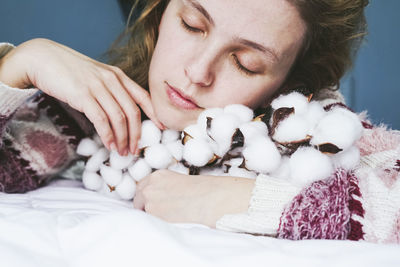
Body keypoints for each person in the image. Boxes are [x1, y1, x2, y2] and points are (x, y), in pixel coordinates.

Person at [1, 0, 399, 242]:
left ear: (293, 81)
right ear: (160, 11)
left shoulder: (312, 128)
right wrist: (20, 65)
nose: (197, 72)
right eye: (192, 24)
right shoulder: (106, 112)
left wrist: (243, 202)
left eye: (246, 63)